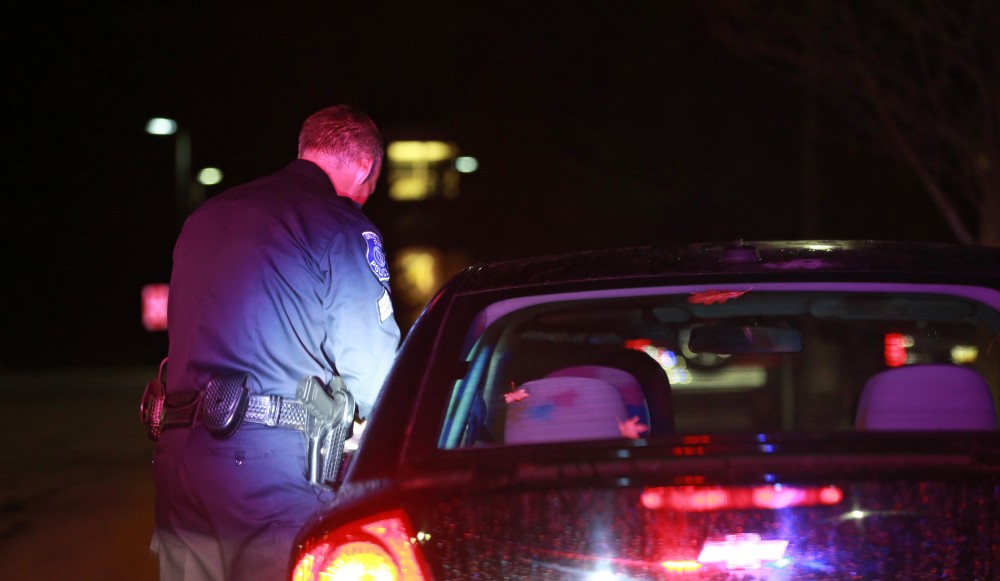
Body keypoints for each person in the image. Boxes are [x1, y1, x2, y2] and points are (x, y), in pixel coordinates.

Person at [149, 105, 401, 580]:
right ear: (367, 167)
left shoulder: (206, 217)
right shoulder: (341, 224)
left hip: (178, 462)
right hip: (265, 472)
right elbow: (376, 372)